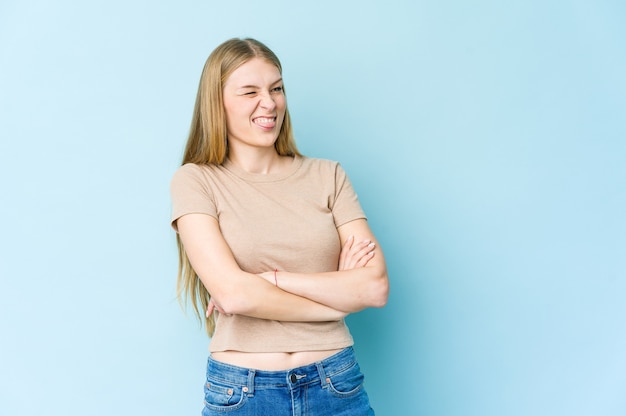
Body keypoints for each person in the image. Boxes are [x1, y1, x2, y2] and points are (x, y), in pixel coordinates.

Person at [170, 37, 389, 416]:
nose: (269, 103)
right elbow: (235, 295)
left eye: (276, 88)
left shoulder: (328, 175)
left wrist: (273, 280)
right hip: (242, 390)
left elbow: (373, 287)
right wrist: (334, 304)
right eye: (249, 91)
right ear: (216, 103)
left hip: (336, 382)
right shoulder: (196, 181)